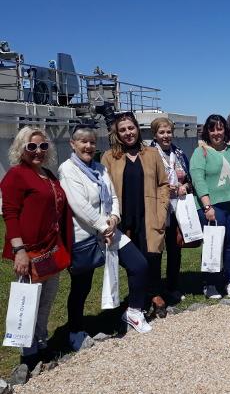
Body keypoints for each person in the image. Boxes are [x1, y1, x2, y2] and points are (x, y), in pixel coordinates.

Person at [59, 126, 152, 347]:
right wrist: (104, 226)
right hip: (86, 236)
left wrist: (114, 218)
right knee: (82, 286)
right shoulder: (68, 169)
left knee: (139, 265)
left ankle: (133, 311)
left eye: (92, 142)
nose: (88, 146)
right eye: (83, 141)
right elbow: (79, 205)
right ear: (73, 144)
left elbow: (112, 196)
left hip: (109, 229)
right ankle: (75, 331)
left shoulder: (100, 168)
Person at [1, 126, 73, 369]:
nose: (38, 151)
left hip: (51, 250)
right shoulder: (16, 175)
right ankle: (28, 354)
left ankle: (42, 343)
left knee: (46, 301)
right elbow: (10, 214)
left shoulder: (48, 175)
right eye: (31, 147)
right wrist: (19, 250)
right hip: (29, 253)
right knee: (28, 303)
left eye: (43, 146)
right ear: (21, 149)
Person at [101, 112, 170, 317]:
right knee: (133, 261)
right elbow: (104, 189)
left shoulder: (151, 153)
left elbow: (163, 184)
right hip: (123, 216)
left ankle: (155, 294)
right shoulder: (109, 157)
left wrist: (161, 209)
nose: (128, 133)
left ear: (137, 129)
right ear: (117, 133)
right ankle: (136, 300)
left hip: (149, 214)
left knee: (152, 256)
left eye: (131, 128)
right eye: (123, 130)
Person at [190, 114, 230, 299]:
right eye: (212, 129)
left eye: (220, 128)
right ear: (207, 131)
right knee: (213, 245)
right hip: (212, 207)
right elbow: (198, 180)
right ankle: (211, 283)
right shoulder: (201, 152)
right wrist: (207, 207)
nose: (217, 132)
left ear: (225, 130)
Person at [150, 117, 192, 303]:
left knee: (175, 248)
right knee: (156, 250)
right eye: (161, 132)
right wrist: (167, 188)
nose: (166, 136)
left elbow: (189, 179)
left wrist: (186, 187)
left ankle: (173, 286)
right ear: (155, 134)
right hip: (157, 208)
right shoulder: (149, 154)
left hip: (178, 208)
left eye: (168, 132)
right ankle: (155, 290)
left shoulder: (180, 153)